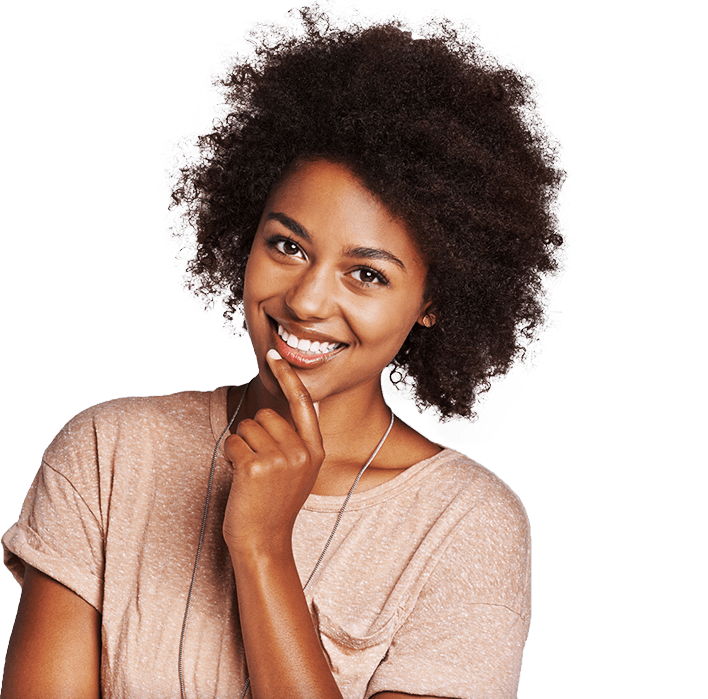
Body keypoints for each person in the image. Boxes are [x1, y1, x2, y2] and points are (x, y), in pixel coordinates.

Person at [1, 2, 571, 697]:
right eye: (287, 245)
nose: (305, 300)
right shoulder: (109, 453)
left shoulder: (465, 526)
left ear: (432, 300)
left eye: (366, 273)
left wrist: (265, 549)